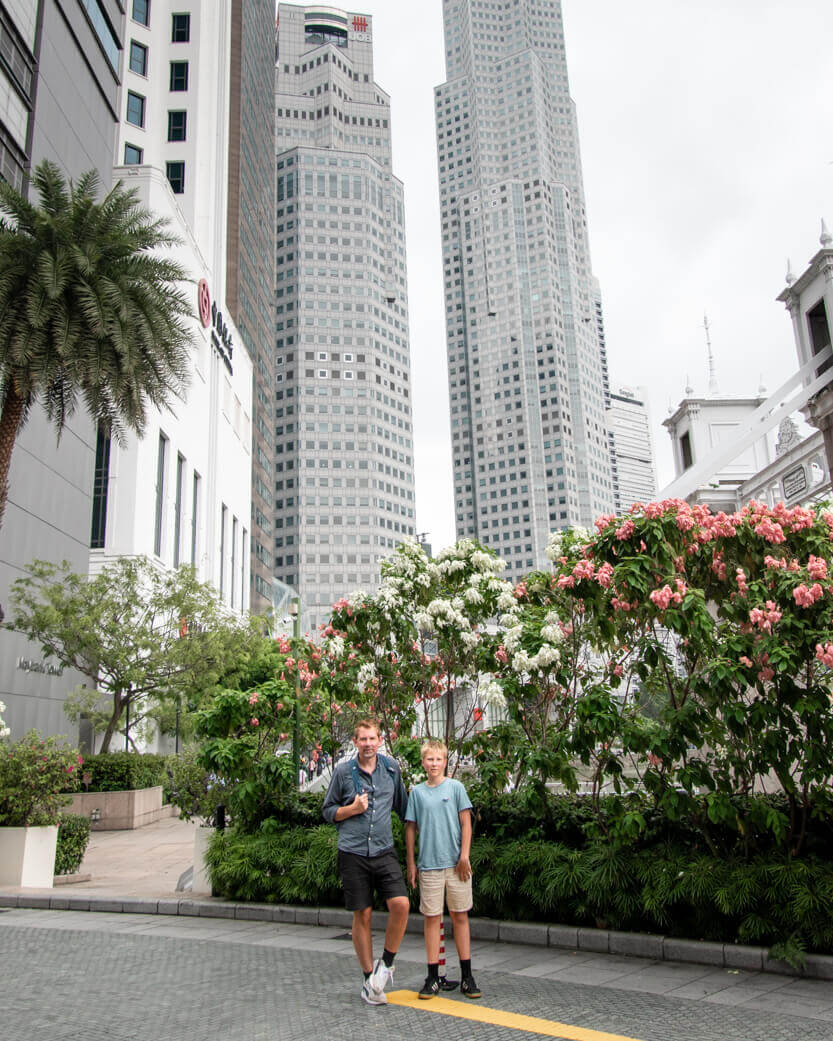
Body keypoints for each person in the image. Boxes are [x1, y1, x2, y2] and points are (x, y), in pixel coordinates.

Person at [322, 717, 409, 1005]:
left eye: (372, 738)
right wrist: (352, 809)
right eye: (363, 739)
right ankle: (367, 977)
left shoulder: (391, 770)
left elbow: (404, 809)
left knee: (401, 904)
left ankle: (386, 964)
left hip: (384, 851)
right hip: (353, 852)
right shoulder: (344, 772)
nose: (368, 744)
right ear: (355, 742)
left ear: (380, 740)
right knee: (364, 914)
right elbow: (328, 811)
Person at [405, 739, 481, 1000]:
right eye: (429, 759)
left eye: (438, 759)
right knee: (432, 919)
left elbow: (466, 823)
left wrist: (465, 856)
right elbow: (410, 828)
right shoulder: (417, 793)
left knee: (460, 916)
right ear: (423, 762)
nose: (434, 764)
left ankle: (467, 976)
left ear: (445, 761)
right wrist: (411, 863)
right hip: (429, 866)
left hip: (456, 865)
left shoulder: (456, 788)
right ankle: (432, 976)